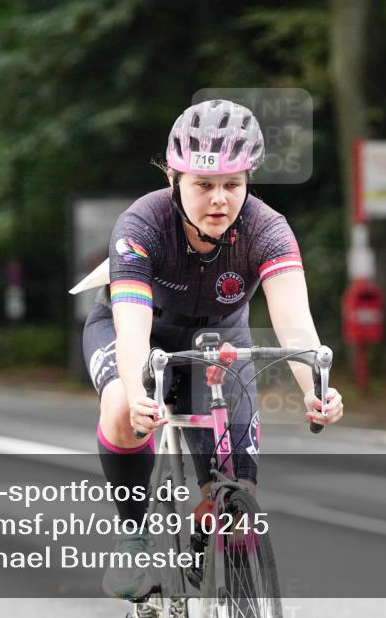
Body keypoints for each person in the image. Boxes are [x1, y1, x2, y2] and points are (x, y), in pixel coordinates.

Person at [81, 99, 344, 600]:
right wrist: (139, 391)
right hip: (140, 332)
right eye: (204, 185)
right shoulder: (141, 225)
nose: (219, 199)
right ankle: (134, 538)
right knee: (120, 407)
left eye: (233, 185)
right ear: (174, 179)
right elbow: (132, 327)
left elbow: (294, 322)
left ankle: (211, 556)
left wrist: (317, 388)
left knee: (236, 502)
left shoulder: (268, 230)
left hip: (219, 345)